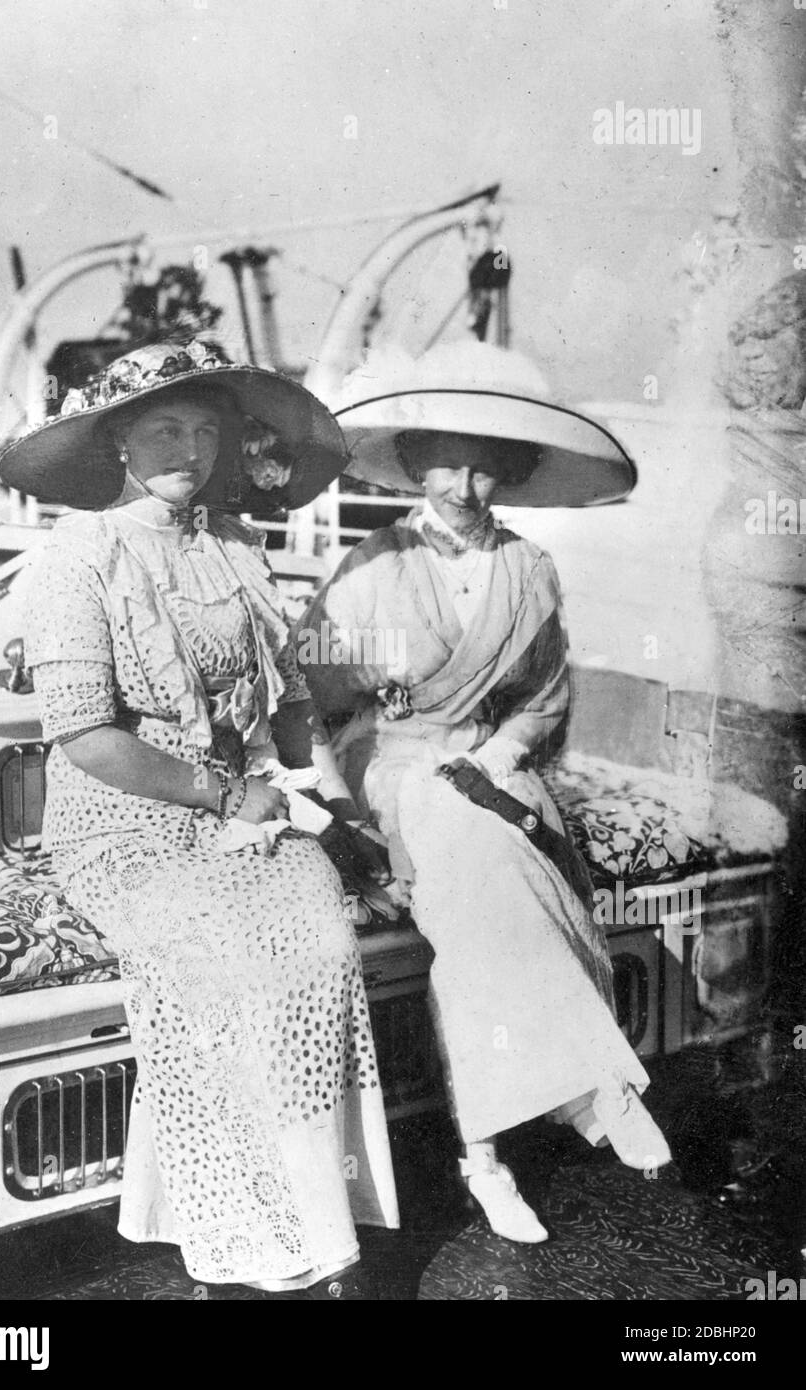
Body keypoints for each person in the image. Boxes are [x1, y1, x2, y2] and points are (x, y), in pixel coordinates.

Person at [0, 337, 399, 1297]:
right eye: (165, 428)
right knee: (232, 968)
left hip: (241, 814)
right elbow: (87, 736)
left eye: (205, 430)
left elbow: (292, 705)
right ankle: (258, 1235)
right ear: (121, 445)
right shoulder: (79, 555)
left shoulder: (234, 547)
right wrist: (226, 794)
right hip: (118, 829)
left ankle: (311, 1218)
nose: (189, 448)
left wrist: (328, 805)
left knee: (320, 947)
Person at [299, 342, 672, 1244]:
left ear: (505, 472)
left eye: (484, 464)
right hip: (389, 758)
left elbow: (544, 696)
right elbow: (312, 701)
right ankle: (594, 1091)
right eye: (446, 461)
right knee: (463, 842)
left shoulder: (532, 568)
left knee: (501, 891)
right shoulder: (367, 567)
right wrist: (338, 806)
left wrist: (506, 752)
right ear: (415, 464)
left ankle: (488, 1154)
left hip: (487, 768)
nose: (463, 484)